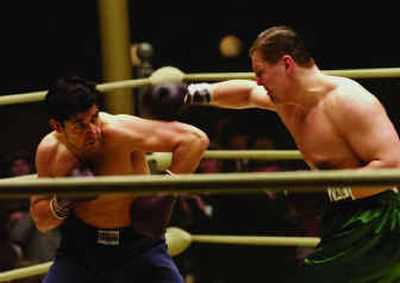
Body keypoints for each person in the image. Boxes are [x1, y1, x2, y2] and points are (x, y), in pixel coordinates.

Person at [148, 26, 400, 282]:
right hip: (344, 215)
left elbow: (393, 167)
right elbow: (246, 93)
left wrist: (328, 191)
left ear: (286, 64)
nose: (258, 81)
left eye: (261, 72)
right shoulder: (287, 102)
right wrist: (189, 94)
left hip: (377, 216)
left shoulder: (348, 102)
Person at [30, 76, 209, 283]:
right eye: (80, 125)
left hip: (139, 246)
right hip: (80, 250)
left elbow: (194, 140)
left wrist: (165, 194)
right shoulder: (49, 152)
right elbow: (41, 221)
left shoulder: (121, 132)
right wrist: (62, 202)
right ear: (57, 126)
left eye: (94, 118)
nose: (93, 131)